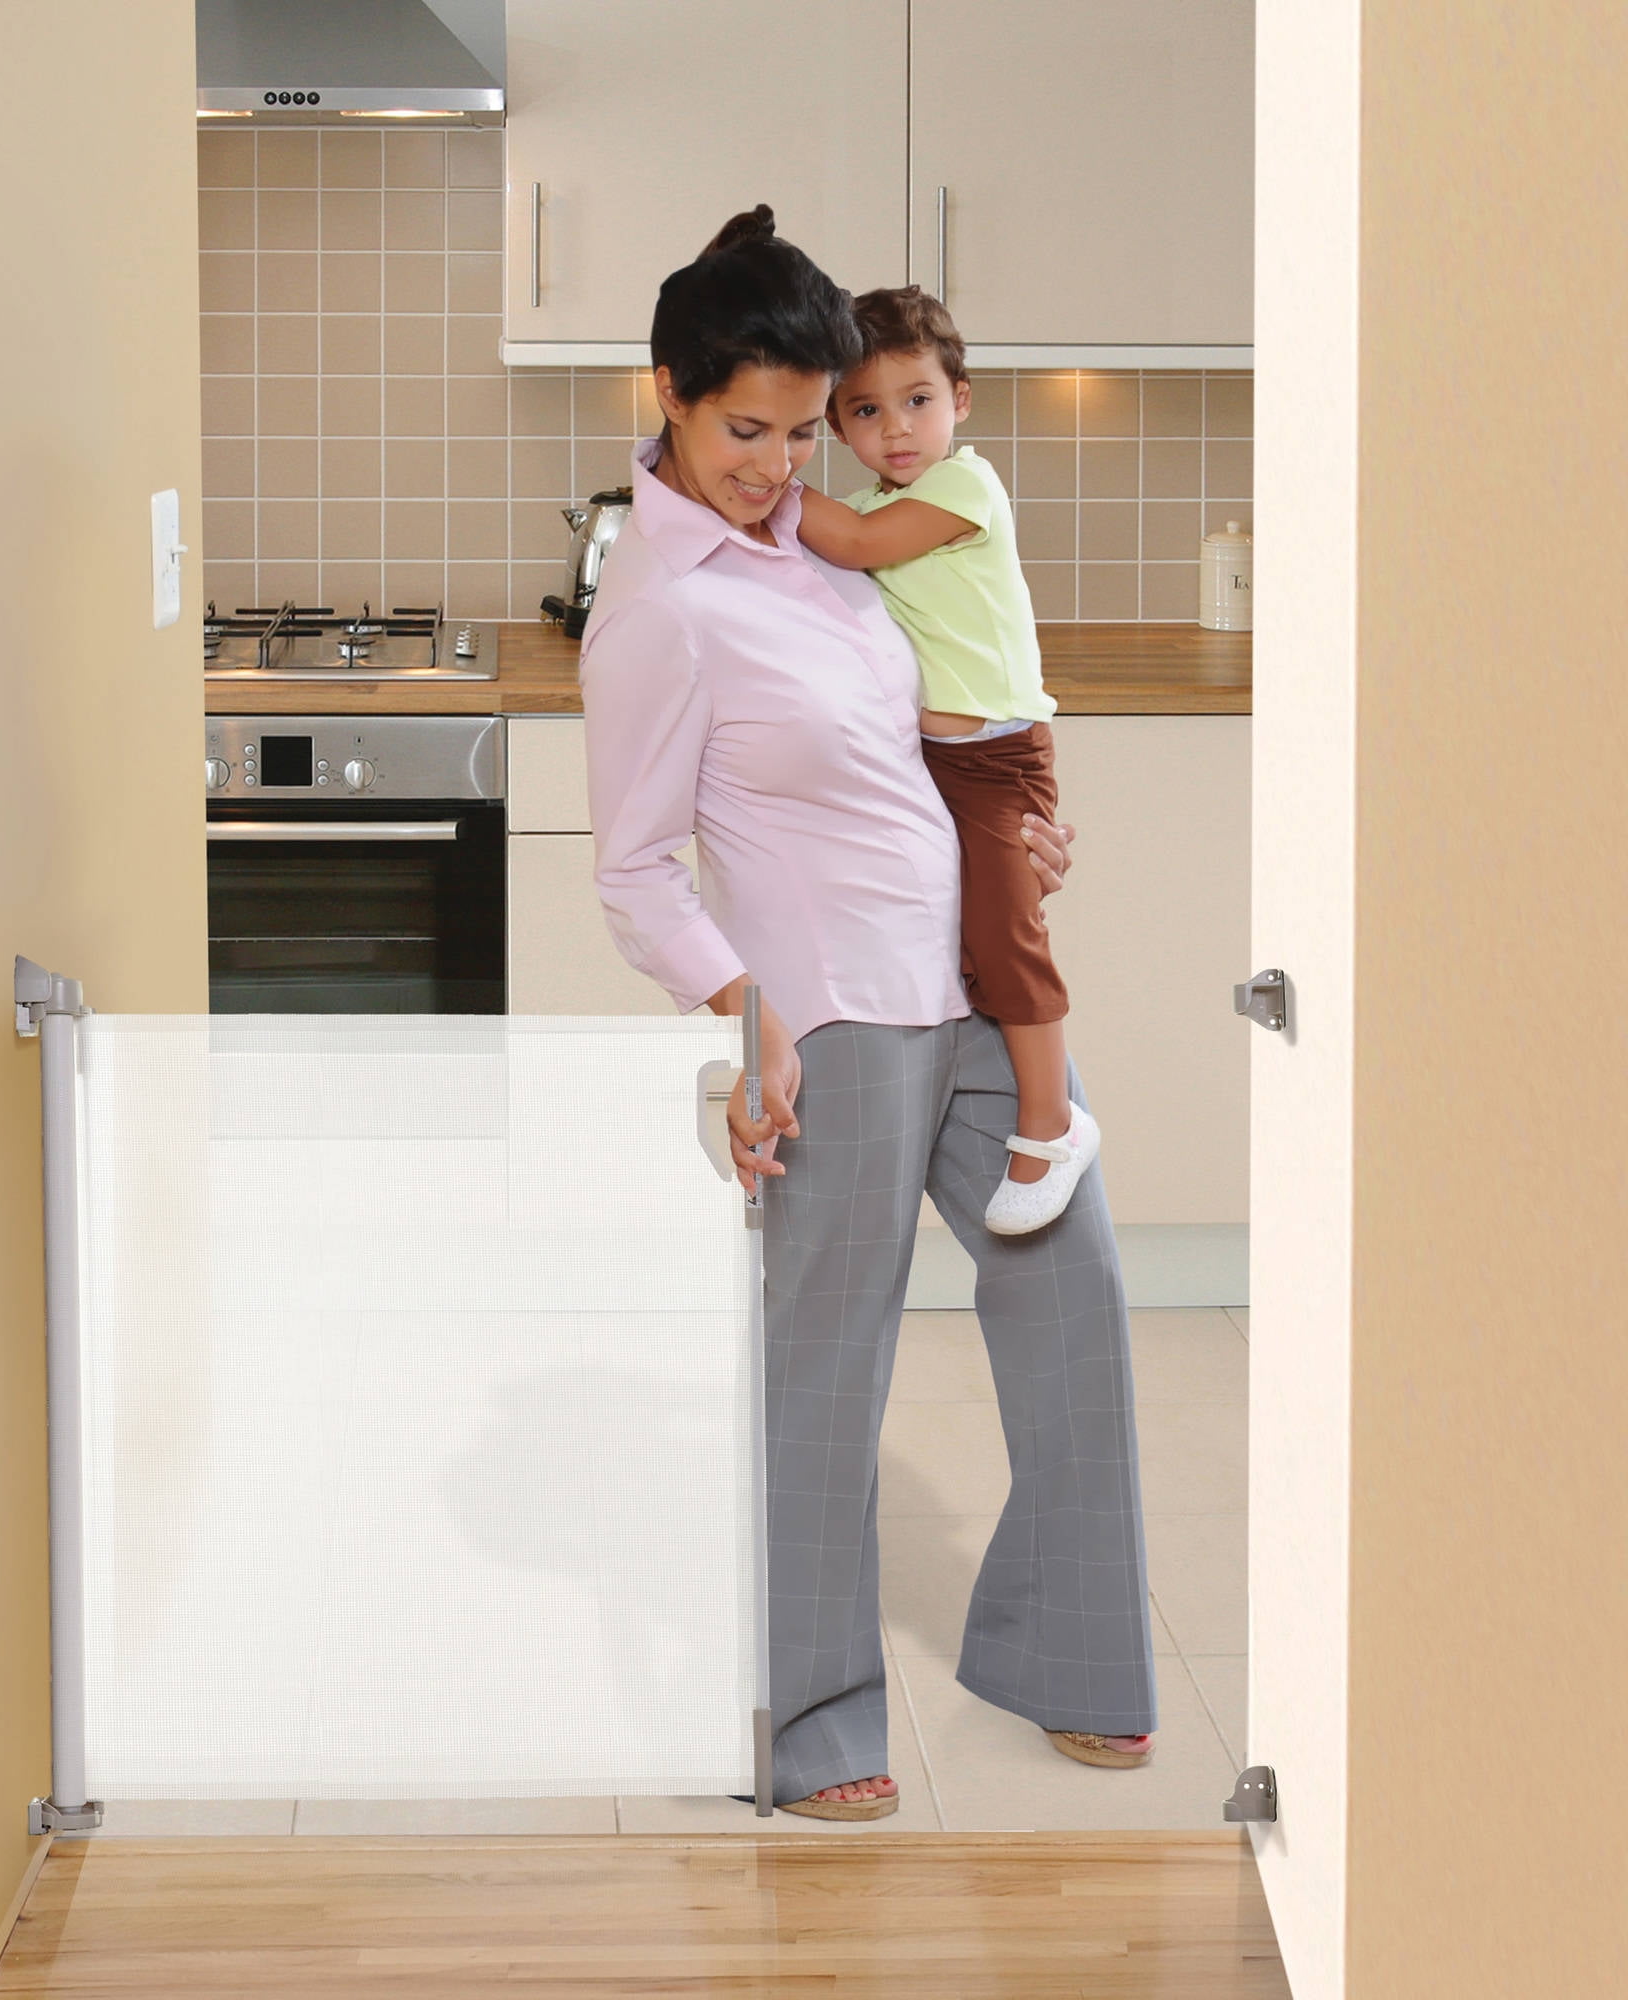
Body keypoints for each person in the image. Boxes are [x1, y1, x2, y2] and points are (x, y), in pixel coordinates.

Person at [580, 207, 1158, 1821]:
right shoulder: (661, 605)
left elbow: (942, 730)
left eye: (794, 428)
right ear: (673, 399)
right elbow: (633, 873)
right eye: (742, 431)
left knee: (1079, 1293)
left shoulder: (832, 544)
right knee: (829, 1374)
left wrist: (1032, 833)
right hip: (834, 1016)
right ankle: (814, 1719)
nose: (773, 465)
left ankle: (1065, 1650)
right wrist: (741, 1000)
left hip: (971, 982)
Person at [796, 286, 1094, 1235]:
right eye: (867, 410)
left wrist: (765, 480)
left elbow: (852, 543)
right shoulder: (874, 498)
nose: (896, 429)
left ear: (959, 399)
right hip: (940, 766)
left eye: (917, 400)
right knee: (965, 935)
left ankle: (1051, 1120)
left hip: (1001, 761)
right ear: (840, 424)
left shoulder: (963, 487)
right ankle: (999, 1101)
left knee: (1007, 935)